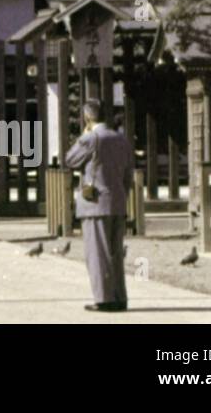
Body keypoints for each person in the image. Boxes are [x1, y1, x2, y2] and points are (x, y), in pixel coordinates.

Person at [65, 99, 133, 312]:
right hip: (117, 200)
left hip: (95, 203)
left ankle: (104, 298)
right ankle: (119, 296)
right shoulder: (121, 139)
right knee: (115, 252)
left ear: (87, 117)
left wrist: (83, 135)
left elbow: (70, 160)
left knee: (97, 253)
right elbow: (128, 175)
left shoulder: (92, 138)